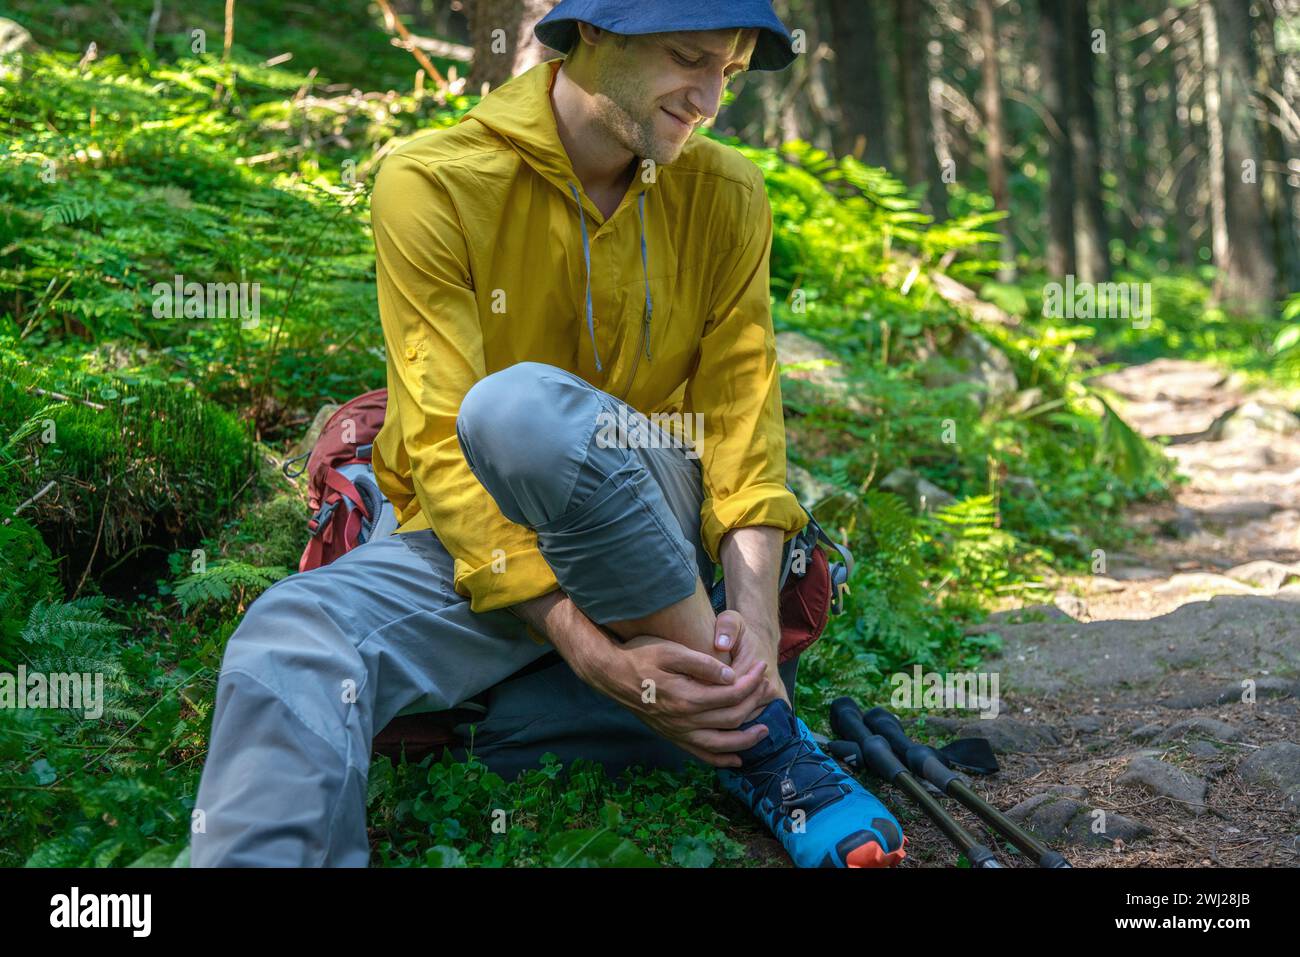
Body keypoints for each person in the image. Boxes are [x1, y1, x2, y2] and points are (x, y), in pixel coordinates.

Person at [190, 0, 904, 869]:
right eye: (689, 58)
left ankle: (760, 736)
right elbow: (448, 446)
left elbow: (741, 430)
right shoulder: (432, 180)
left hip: (653, 518)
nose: (711, 96)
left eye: (730, 69)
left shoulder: (725, 192)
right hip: (471, 537)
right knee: (288, 634)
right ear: (591, 36)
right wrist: (587, 648)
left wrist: (752, 616)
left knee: (523, 409)